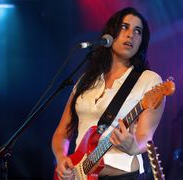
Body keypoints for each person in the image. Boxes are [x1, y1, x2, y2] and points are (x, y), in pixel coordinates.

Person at [52, 7, 166, 180]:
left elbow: (145, 138)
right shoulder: (86, 80)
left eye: (138, 31)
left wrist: (132, 146)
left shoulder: (149, 80)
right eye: (124, 27)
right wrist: (61, 159)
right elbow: (62, 132)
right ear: (110, 34)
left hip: (124, 176)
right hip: (79, 174)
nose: (131, 35)